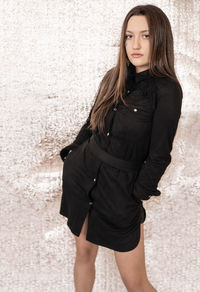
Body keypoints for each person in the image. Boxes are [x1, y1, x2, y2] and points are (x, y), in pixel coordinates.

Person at [59, 4, 183, 292]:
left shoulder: (167, 90)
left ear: (161, 39)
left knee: (136, 282)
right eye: (129, 36)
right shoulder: (112, 76)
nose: (135, 44)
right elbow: (92, 123)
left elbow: (159, 154)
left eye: (146, 36)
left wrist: (136, 196)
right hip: (83, 176)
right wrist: (74, 154)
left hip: (120, 193)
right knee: (84, 254)